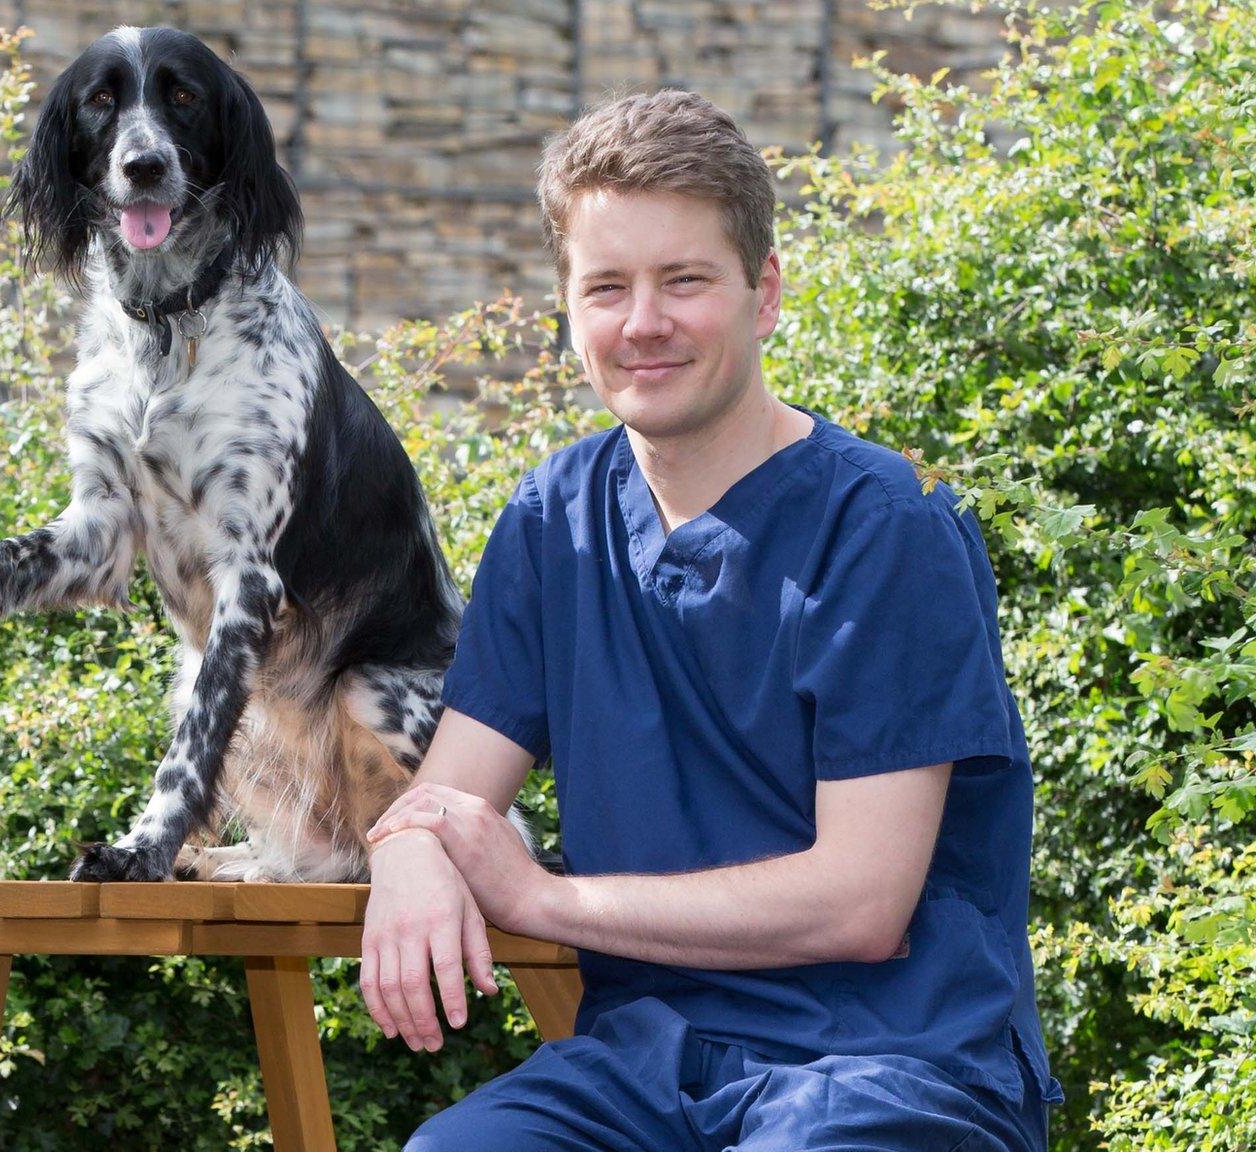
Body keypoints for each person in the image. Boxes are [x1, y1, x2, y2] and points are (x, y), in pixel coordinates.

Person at [357, 91, 1063, 1151]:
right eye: (605, 288)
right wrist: (407, 847)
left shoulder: (881, 526)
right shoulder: (555, 520)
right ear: (565, 308)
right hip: (641, 1071)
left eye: (682, 280)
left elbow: (857, 904)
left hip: (887, 1070)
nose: (640, 323)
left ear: (762, 294)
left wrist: (540, 901)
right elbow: (447, 797)